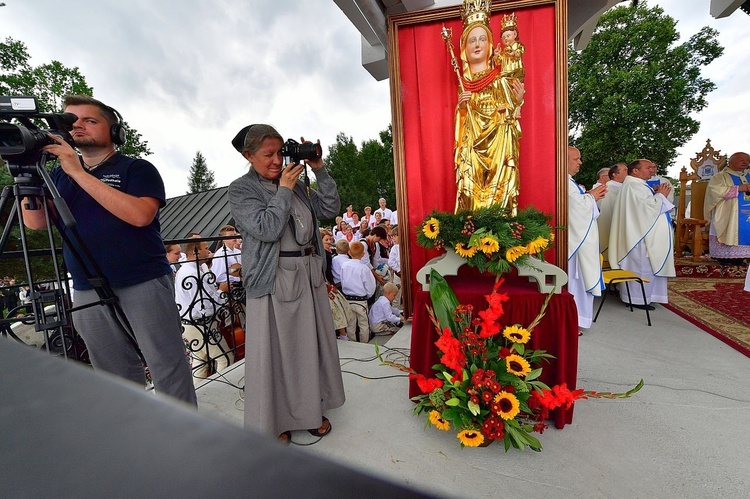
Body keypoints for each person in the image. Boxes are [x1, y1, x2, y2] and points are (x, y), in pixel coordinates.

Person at [20, 95, 196, 405]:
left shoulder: (136, 168)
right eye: (70, 121)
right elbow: (36, 222)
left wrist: (78, 172)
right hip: (86, 287)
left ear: (114, 131)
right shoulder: (59, 175)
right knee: (113, 374)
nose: (78, 126)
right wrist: (27, 178)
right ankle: (135, 438)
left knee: (166, 366)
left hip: (142, 280)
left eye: (90, 120)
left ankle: (187, 443)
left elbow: (141, 215)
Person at [228, 123, 345, 443]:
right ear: (248, 155)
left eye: (280, 152)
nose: (277, 160)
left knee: (310, 347)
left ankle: (310, 409)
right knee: (279, 353)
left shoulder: (295, 183)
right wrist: (282, 189)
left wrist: (318, 169)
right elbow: (266, 228)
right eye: (268, 154)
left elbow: (330, 209)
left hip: (308, 275)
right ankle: (275, 421)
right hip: (274, 279)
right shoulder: (241, 189)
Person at [453, 2, 525, 215]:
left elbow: (511, 116)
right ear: (464, 48)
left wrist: (517, 102)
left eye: (482, 39)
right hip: (473, 143)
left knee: (500, 173)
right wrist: (462, 107)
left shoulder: (500, 79)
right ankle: (473, 219)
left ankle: (499, 214)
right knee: (472, 179)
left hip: (498, 141)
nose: (477, 44)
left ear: (491, 44)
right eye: (472, 40)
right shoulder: (464, 83)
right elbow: (461, 128)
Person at [608, 159, 676, 308]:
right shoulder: (634, 186)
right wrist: (661, 196)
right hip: (639, 237)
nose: (652, 170)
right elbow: (645, 210)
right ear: (635, 171)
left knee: (646, 266)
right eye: (648, 167)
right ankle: (637, 299)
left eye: (653, 167)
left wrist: (657, 194)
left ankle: (646, 296)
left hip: (642, 234)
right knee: (641, 266)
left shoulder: (637, 185)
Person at [174, 239, 234, 385]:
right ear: (195, 252)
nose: (208, 252)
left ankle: (200, 397)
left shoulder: (192, 270)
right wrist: (222, 291)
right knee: (225, 359)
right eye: (205, 248)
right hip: (200, 325)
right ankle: (220, 393)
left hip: (191, 324)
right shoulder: (192, 274)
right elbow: (205, 305)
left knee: (200, 363)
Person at [567, 147, 605, 333]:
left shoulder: (570, 183)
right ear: (564, 160)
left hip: (582, 243)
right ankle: (572, 321)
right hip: (576, 246)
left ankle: (576, 319)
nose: (580, 162)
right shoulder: (564, 183)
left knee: (579, 284)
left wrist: (589, 195)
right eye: (576, 159)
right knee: (574, 283)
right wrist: (591, 196)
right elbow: (576, 210)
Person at [703, 152, 750, 263]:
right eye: (741, 160)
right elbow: (715, 192)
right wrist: (739, 188)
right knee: (731, 232)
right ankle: (728, 258)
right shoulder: (720, 177)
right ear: (731, 162)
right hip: (728, 214)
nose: (745, 162)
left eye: (747, 160)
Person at [340, 241, 376, 343]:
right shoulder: (364, 268)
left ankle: (352, 343)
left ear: (349, 252)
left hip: (348, 299)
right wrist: (368, 295)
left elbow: (342, 281)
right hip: (361, 300)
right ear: (363, 254)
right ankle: (364, 343)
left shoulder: (344, 266)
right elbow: (370, 286)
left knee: (351, 324)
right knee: (363, 324)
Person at [597, 162, 628, 261]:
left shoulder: (622, 188)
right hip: (609, 225)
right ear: (615, 174)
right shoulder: (609, 189)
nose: (628, 172)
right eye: (625, 170)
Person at [211, 224, 243, 292]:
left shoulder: (238, 252)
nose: (234, 238)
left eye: (235, 235)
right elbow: (218, 277)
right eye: (230, 236)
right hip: (231, 288)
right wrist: (238, 279)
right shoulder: (220, 254)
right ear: (224, 239)